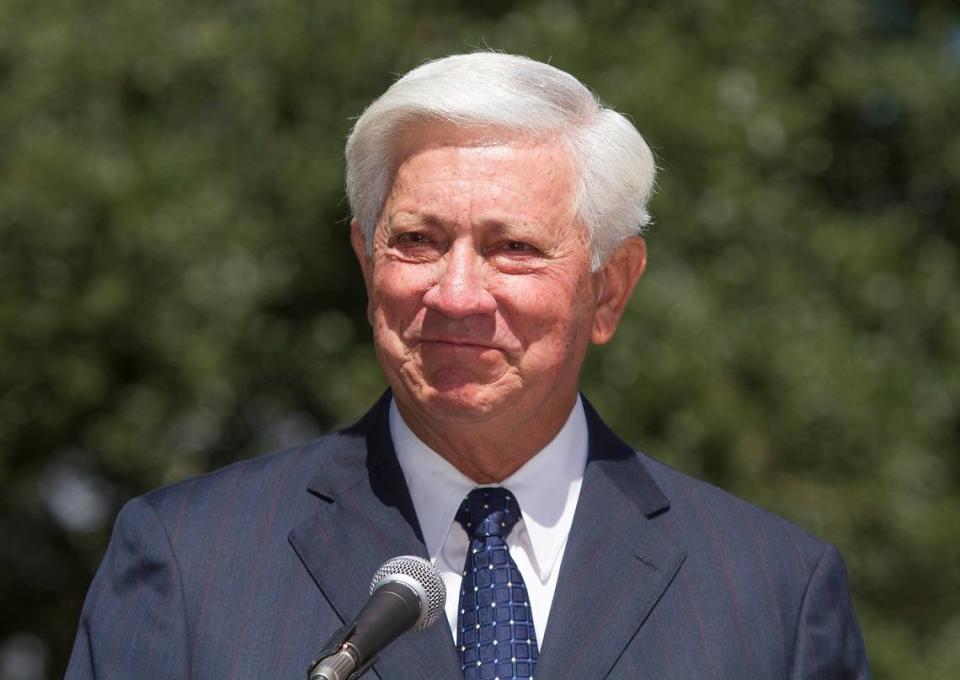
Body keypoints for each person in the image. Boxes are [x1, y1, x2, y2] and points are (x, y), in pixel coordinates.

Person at [67, 52, 870, 679]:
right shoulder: (190, 560)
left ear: (609, 289)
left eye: (513, 248)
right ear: (364, 258)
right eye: (417, 240)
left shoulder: (772, 593)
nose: (456, 295)